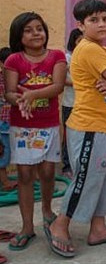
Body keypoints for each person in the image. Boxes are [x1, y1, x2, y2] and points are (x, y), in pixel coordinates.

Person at [47, 0, 106, 258]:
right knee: (85, 178)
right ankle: (59, 224)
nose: (101, 24)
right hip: (89, 127)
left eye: (105, 19)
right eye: (94, 20)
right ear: (81, 25)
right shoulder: (89, 49)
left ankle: (98, 228)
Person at [4, 13, 67, 251]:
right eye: (28, 30)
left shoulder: (57, 56)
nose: (36, 33)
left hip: (49, 125)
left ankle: (48, 211)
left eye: (39, 28)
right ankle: (27, 226)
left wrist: (31, 94)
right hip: (23, 128)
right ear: (19, 35)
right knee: (25, 175)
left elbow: (57, 86)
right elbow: (9, 92)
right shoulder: (13, 60)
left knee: (49, 172)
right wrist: (19, 99)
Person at [60, 28, 83, 178]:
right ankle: (67, 165)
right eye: (80, 40)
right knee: (69, 136)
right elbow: (61, 79)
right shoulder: (67, 58)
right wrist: (80, 84)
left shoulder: (90, 56)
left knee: (82, 136)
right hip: (70, 103)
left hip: (85, 103)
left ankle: (80, 164)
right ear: (74, 41)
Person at [0, 47, 16, 192]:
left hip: (12, 121)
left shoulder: (14, 77)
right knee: (4, 151)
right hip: (3, 122)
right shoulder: (2, 79)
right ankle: (5, 182)